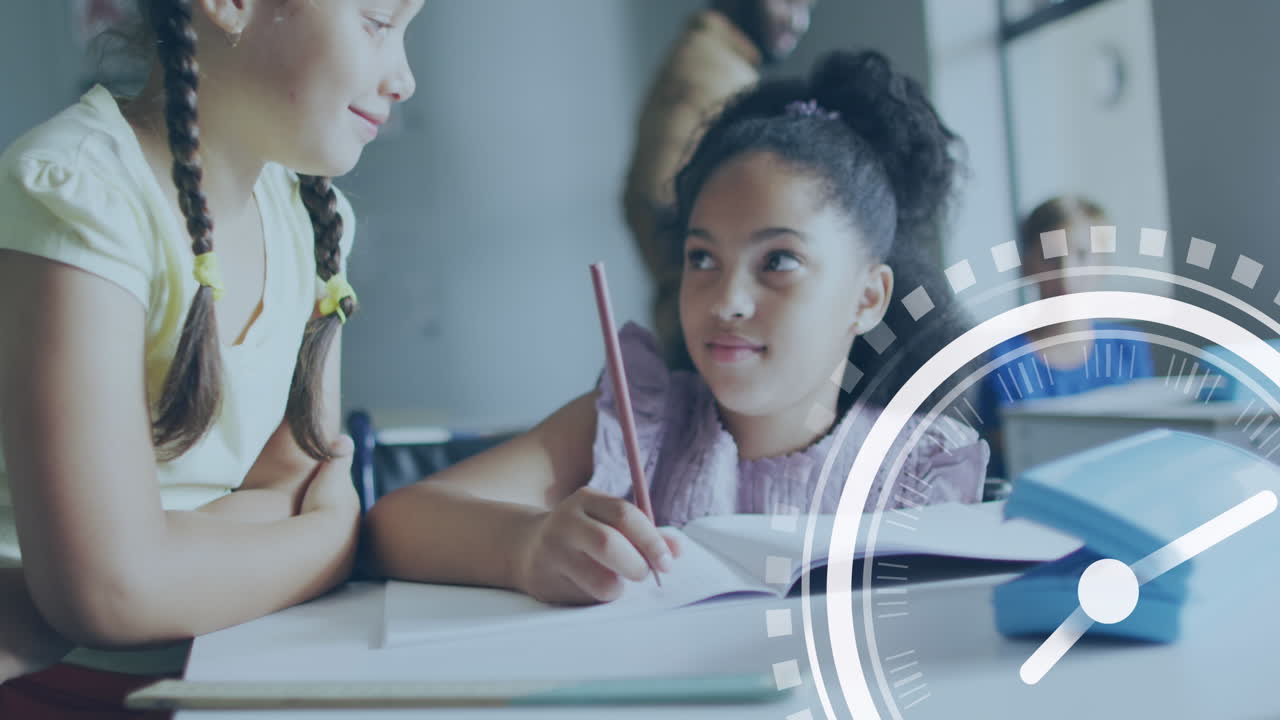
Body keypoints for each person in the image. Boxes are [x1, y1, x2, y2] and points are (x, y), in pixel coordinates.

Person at [369, 50, 989, 607]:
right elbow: (398, 522)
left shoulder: (917, 471)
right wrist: (525, 546)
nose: (727, 299)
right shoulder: (639, 421)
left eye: (778, 262)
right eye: (702, 259)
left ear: (868, 298)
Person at [0, 0, 421, 715]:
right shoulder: (81, 191)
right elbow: (111, 594)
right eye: (377, 23)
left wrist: (156, 557)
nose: (405, 78)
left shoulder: (316, 220)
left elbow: (293, 483)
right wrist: (325, 540)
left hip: (218, 665)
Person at [623, 0, 816, 365]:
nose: (799, 21)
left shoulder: (723, 65)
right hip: (707, 344)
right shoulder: (707, 74)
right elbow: (655, 199)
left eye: (808, 5)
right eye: (788, 1)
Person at [977, 196, 1155, 477]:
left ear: (1104, 263)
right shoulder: (1000, 358)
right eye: (1051, 258)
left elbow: (1147, 441)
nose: (1067, 273)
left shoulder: (1128, 346)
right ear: (1026, 265)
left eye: (1083, 255)